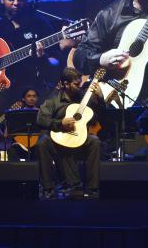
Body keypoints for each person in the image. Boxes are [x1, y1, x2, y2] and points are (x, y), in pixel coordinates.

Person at [36, 67, 103, 200]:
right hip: (59, 140)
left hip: (80, 140)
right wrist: (60, 123)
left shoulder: (85, 96)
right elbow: (41, 119)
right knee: (43, 142)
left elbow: (102, 116)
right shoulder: (54, 99)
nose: (79, 86)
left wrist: (100, 98)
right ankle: (48, 188)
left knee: (95, 141)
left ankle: (92, 189)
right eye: (76, 84)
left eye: (80, 83)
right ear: (66, 84)